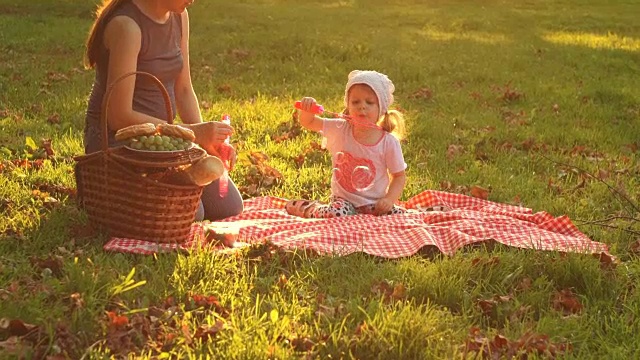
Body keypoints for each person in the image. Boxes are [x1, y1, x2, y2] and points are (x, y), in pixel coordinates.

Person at [82, 0, 243, 221]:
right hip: (117, 144)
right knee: (192, 214)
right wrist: (193, 133)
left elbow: (184, 89)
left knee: (228, 206)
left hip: (162, 143)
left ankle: (167, 184)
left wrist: (205, 141)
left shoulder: (179, 16)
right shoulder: (127, 27)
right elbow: (119, 117)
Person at [287, 70, 407, 218]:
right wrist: (307, 110)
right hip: (343, 202)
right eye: (355, 102)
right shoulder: (340, 128)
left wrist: (388, 200)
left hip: (375, 204)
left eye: (369, 102)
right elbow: (309, 122)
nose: (362, 106)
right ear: (348, 107)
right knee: (336, 213)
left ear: (381, 110)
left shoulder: (388, 142)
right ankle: (309, 208)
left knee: (401, 216)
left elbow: (399, 176)